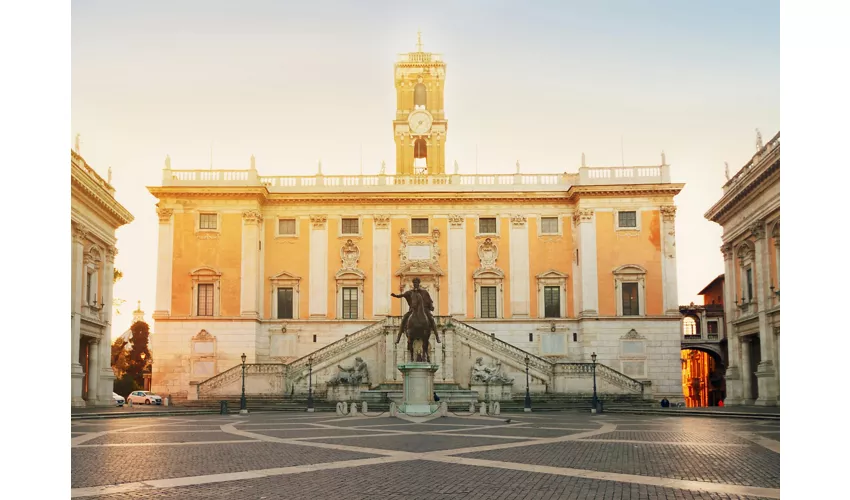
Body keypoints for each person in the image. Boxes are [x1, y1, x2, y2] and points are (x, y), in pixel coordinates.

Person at [391, 277, 441, 344]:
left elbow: (429, 301)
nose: (415, 284)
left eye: (416, 283)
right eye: (414, 283)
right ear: (413, 284)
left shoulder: (424, 292)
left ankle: (437, 336)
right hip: (413, 310)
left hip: (424, 309)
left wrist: (431, 306)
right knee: (404, 319)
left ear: (419, 284)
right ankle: (398, 337)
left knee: (431, 319)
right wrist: (395, 296)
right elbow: (402, 295)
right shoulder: (410, 292)